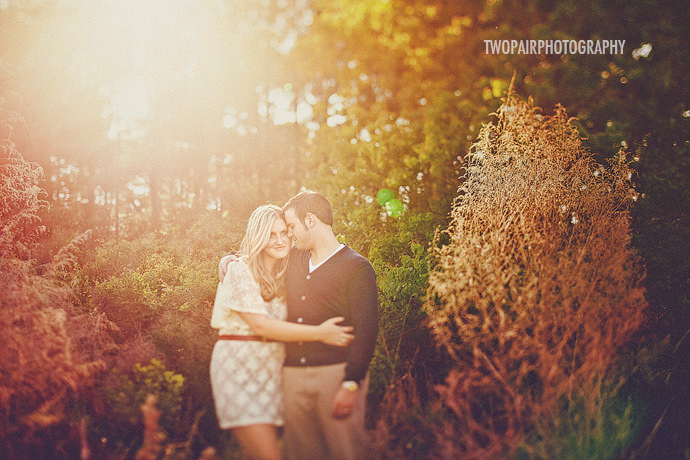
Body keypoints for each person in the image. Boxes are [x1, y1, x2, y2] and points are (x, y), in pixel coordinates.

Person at [220, 191, 378, 460]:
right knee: (301, 454)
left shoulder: (357, 267)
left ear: (310, 220)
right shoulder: (293, 258)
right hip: (292, 377)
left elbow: (367, 332)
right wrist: (229, 258)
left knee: (346, 451)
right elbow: (259, 251)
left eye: (291, 227)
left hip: (335, 375)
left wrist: (351, 383)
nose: (289, 235)